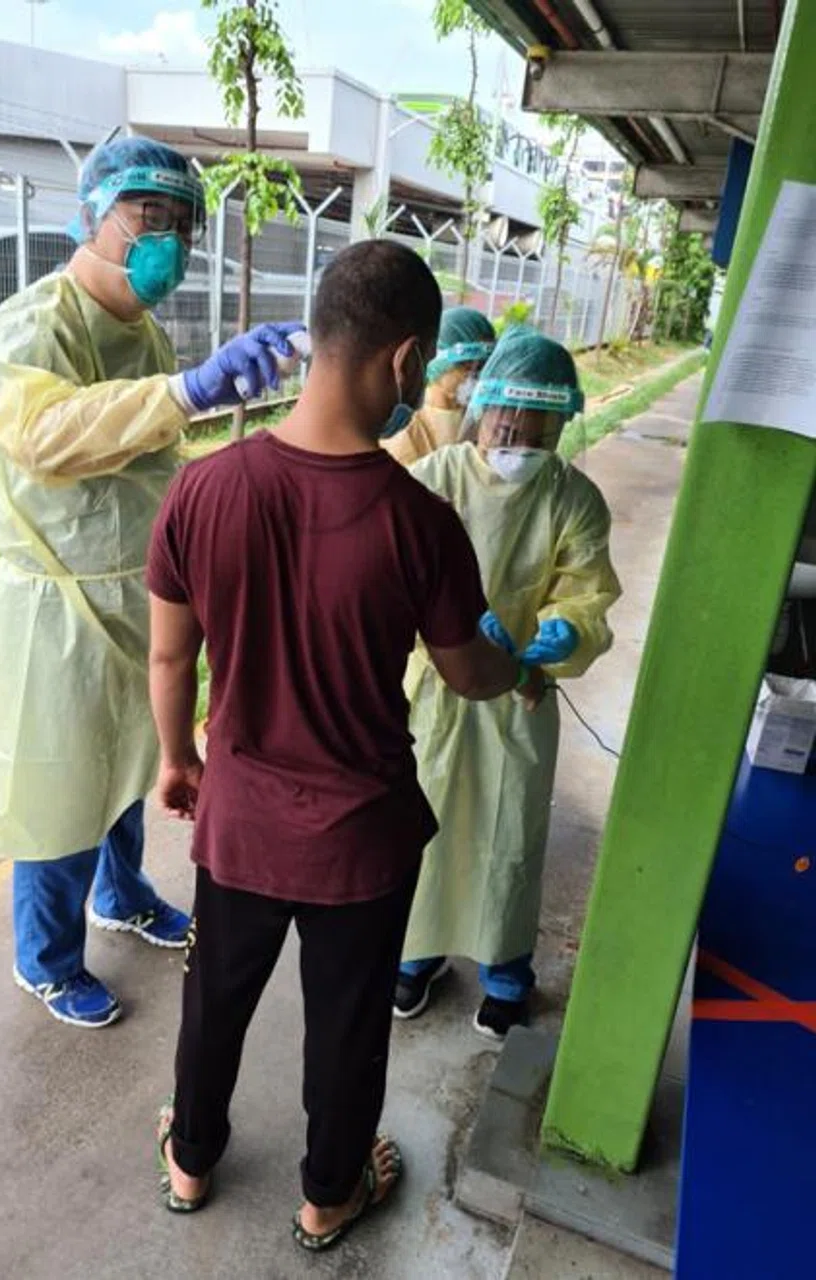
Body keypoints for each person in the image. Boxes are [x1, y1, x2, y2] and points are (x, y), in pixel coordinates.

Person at [144, 240, 545, 1250]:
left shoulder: (203, 490)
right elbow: (467, 670)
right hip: (360, 843)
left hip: (237, 821)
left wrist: (177, 759)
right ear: (406, 359)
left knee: (215, 1001)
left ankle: (190, 1158)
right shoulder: (421, 524)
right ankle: (329, 1192)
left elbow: (168, 656)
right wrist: (524, 665)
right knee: (349, 1022)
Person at [0, 135, 305, 1029]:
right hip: (57, 606)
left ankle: (123, 897)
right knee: (60, 790)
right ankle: (46, 958)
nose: (170, 240)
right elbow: (48, 432)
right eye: (149, 216)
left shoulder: (140, 331)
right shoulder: (36, 324)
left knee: (127, 764)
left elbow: (148, 452)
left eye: (182, 224)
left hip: (130, 591)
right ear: (92, 214)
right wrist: (187, 390)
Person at [394, 330, 621, 1038]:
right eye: (506, 423)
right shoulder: (433, 480)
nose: (518, 438)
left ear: (561, 424)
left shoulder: (573, 499)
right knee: (421, 828)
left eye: (537, 428)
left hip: (521, 689)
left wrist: (562, 633)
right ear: (480, 407)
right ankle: (417, 952)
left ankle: (506, 968)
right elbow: (390, 579)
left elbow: (584, 591)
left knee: (509, 834)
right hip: (434, 688)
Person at [383, 306, 495, 466]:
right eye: (466, 365)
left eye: (483, 366)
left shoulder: (483, 420)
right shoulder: (407, 429)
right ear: (437, 361)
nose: (476, 375)